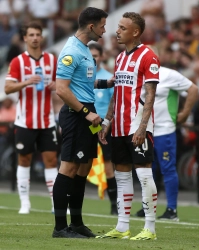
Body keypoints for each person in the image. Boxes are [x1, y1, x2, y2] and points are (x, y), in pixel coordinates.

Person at [52, 7, 114, 238]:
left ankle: (76, 223)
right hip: (76, 114)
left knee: (83, 168)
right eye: (102, 25)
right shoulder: (71, 51)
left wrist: (107, 83)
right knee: (68, 167)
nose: (104, 30)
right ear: (91, 26)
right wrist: (86, 113)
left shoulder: (85, 50)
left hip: (87, 114)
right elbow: (62, 89)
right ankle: (60, 227)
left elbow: (83, 83)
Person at [97, 12, 160, 240]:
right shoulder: (120, 57)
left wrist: (143, 127)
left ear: (135, 32)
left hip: (137, 126)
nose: (117, 31)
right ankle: (123, 226)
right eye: (118, 27)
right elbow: (117, 93)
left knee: (144, 175)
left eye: (123, 28)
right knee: (122, 176)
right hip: (119, 127)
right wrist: (107, 121)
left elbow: (151, 94)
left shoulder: (148, 56)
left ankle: (150, 229)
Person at [4, 21, 58, 215]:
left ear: (41, 37)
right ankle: (25, 202)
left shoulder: (52, 60)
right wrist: (26, 82)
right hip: (24, 121)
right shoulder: (18, 61)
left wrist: (56, 85)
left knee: (51, 161)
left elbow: (62, 84)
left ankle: (55, 203)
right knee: (24, 160)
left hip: (47, 120)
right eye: (31, 35)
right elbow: (7, 88)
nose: (35, 38)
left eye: (38, 34)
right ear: (25, 38)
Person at [134, 65, 199, 220]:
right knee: (147, 169)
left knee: (167, 168)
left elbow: (193, 89)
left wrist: (185, 113)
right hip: (145, 130)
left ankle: (172, 210)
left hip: (164, 129)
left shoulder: (169, 74)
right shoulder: (139, 75)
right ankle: (148, 206)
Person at [89, 42, 118, 215]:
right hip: (85, 124)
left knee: (109, 166)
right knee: (78, 163)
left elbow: (113, 105)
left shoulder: (108, 78)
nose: (93, 58)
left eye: (96, 55)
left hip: (103, 126)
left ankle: (114, 205)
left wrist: (107, 124)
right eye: (90, 55)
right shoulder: (82, 77)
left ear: (101, 57)